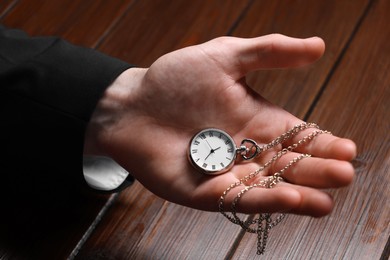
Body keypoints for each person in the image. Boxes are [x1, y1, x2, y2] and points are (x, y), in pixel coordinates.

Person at [0, 26, 356, 217]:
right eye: (213, 149)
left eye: (215, 150)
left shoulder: (229, 149)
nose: (214, 150)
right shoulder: (221, 148)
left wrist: (117, 102)